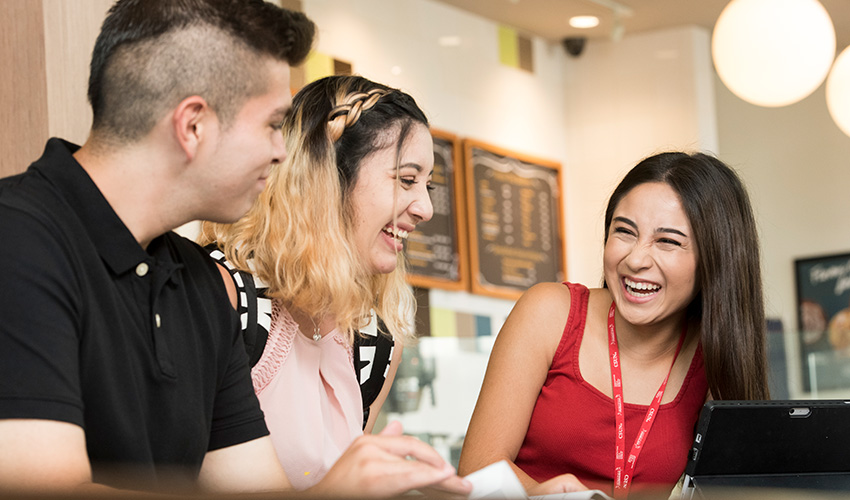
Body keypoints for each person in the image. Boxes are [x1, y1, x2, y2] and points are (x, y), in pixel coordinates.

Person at [0, 1, 468, 496]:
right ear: (193, 125)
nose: (283, 153)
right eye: (271, 124)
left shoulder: (195, 282)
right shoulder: (19, 239)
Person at [458, 152, 769, 498]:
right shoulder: (550, 313)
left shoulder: (714, 356)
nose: (635, 259)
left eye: (667, 241)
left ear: (716, 260)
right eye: (624, 232)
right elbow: (479, 469)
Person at [198, 74, 435, 490]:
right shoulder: (223, 295)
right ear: (328, 178)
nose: (426, 208)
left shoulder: (374, 341)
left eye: (427, 185)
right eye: (406, 179)